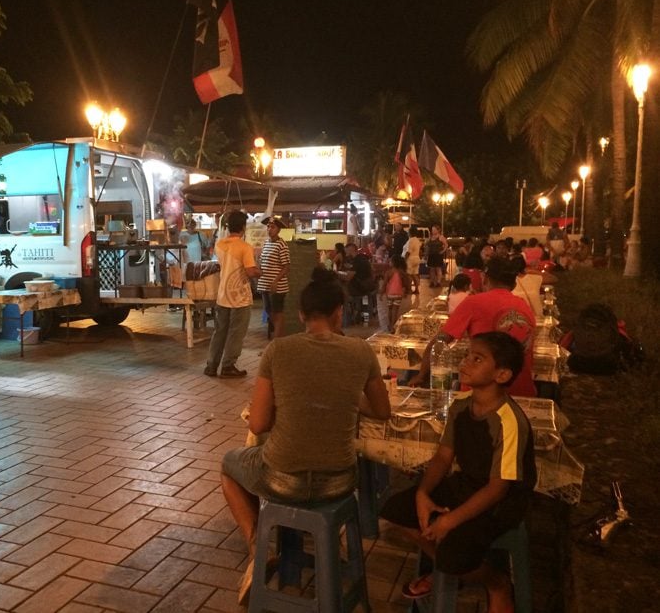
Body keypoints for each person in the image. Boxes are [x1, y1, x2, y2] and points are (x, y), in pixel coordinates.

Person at [220, 268, 392, 604]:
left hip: (284, 479)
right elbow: (382, 411)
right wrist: (345, 394)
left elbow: (257, 424)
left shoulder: (278, 350)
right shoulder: (360, 351)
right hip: (340, 482)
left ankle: (258, 547)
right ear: (338, 312)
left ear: (300, 315)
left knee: (229, 465)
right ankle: (312, 548)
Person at [380, 332, 536, 613]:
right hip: (466, 486)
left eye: (477, 359)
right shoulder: (461, 405)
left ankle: (495, 581)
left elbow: (498, 488)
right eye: (467, 355)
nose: (465, 362)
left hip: (502, 502)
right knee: (394, 510)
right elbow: (443, 456)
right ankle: (447, 568)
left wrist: (449, 521)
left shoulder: (509, 421)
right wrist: (423, 494)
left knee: (453, 553)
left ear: (501, 375)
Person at [409, 257, 537, 397]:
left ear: (485, 279)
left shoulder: (473, 303)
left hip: (482, 395)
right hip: (522, 392)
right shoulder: (524, 306)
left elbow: (440, 341)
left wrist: (421, 375)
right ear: (513, 284)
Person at [205, 210, 262, 378]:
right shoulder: (245, 247)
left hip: (223, 295)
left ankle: (211, 365)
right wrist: (262, 271)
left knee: (220, 331)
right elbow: (251, 272)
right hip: (240, 297)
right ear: (243, 227)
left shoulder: (220, 244)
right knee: (236, 332)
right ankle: (228, 366)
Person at [257, 217, 290, 340]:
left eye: (272, 227)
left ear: (278, 230)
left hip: (277, 286)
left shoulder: (282, 244)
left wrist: (276, 281)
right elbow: (262, 262)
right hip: (264, 284)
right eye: (268, 227)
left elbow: (287, 267)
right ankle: (279, 337)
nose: (269, 229)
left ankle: (277, 340)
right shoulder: (266, 243)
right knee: (268, 310)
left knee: (277, 312)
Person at [380, 254, 412, 330]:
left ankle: (389, 324)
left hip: (389, 294)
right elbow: (406, 283)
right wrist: (407, 291)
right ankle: (393, 325)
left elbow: (384, 284)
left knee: (390, 309)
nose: (389, 262)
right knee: (395, 309)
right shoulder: (402, 273)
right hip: (398, 294)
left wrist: (381, 293)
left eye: (390, 261)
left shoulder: (388, 272)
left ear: (393, 263)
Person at [403, 227, 422, 294]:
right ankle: (417, 289)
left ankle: (409, 289)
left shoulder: (411, 240)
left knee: (409, 274)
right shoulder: (417, 240)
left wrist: (404, 260)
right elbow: (420, 251)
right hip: (416, 258)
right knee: (415, 274)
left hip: (410, 259)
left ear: (410, 233)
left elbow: (408, 252)